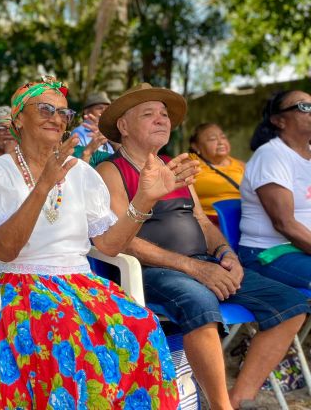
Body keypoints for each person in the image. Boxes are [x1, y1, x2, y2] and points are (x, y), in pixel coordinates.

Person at [0, 76, 179, 408]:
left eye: (63, 112)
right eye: (46, 109)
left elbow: (109, 246)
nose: (56, 118)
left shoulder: (82, 172)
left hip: (79, 281)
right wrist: (43, 186)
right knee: (65, 331)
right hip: (18, 279)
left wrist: (143, 200)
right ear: (18, 119)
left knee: (142, 324)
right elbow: (5, 251)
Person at [97, 83, 308, 410]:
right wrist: (194, 267)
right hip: (149, 272)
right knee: (200, 301)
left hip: (202, 263)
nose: (161, 120)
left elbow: (202, 221)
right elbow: (123, 240)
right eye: (148, 114)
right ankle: (221, 406)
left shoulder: (173, 164)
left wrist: (226, 255)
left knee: (290, 304)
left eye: (164, 114)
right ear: (123, 127)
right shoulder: (110, 170)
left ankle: (240, 398)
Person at [238, 90, 311, 289]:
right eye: (304, 107)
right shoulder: (271, 156)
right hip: (269, 253)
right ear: (279, 121)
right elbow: (284, 224)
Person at [188, 122, 245, 223]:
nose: (220, 142)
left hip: (243, 217)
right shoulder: (191, 162)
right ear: (196, 146)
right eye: (212, 139)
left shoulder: (241, 165)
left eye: (223, 137)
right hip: (208, 221)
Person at [72, 91, 115, 166]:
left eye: (107, 108)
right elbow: (78, 162)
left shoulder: (110, 132)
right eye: (100, 108)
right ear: (87, 111)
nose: (104, 111)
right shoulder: (78, 132)